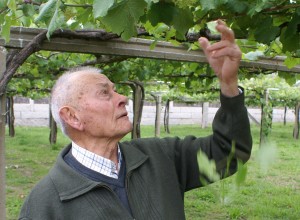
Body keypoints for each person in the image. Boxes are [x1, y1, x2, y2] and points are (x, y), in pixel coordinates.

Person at [19, 20, 252, 220]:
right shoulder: (43, 205)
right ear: (72, 117)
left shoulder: (162, 157)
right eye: (104, 93)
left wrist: (229, 86)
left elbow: (229, 153)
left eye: (116, 90)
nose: (122, 98)